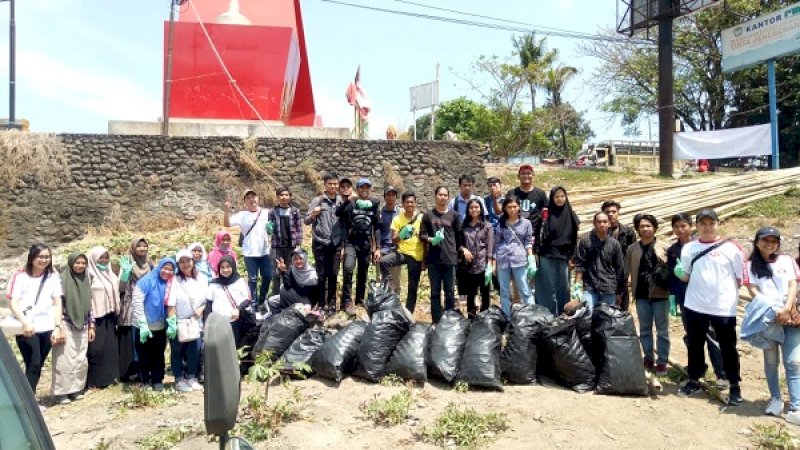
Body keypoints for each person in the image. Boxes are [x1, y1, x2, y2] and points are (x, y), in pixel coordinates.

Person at [675, 208, 745, 406]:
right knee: (695, 345)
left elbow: (740, 278)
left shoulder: (732, 248)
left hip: (723, 307)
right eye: (703, 224)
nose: (707, 227)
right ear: (696, 226)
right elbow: (686, 275)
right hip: (695, 305)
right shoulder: (689, 248)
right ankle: (694, 380)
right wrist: (679, 273)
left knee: (728, 348)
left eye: (711, 223)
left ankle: (734, 385)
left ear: (718, 224)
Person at [745, 227, 800, 421]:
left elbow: (793, 284)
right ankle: (775, 399)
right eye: (765, 240)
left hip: (790, 317)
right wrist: (772, 309)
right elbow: (752, 289)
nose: (770, 244)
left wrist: (786, 308)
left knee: (793, 361)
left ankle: (795, 407)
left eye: (774, 240)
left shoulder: (787, 260)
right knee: (771, 361)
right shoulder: (750, 264)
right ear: (757, 242)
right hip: (767, 319)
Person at [666, 213, 728, 388]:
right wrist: (673, 297)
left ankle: (721, 374)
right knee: (692, 336)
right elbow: (672, 275)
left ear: (691, 226)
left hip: (705, 298)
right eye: (676, 226)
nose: (680, 230)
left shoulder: (701, 246)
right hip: (685, 298)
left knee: (711, 335)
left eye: (683, 226)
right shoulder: (673, 250)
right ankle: (697, 370)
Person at [7, 243, 63, 408]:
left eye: (47, 257)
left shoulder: (52, 276)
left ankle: (27, 399)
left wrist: (57, 326)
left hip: (47, 326)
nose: (44, 260)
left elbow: (57, 302)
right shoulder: (20, 276)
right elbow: (13, 302)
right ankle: (27, 403)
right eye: (41, 257)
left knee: (36, 365)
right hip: (27, 327)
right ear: (32, 258)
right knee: (34, 363)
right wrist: (25, 322)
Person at [626, 214, 670, 376]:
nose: (645, 229)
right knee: (644, 329)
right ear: (637, 229)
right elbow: (627, 270)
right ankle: (648, 358)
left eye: (648, 226)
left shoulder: (664, 247)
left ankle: (662, 362)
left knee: (662, 330)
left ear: (655, 228)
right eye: (642, 226)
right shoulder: (632, 249)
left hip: (660, 294)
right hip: (641, 294)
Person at [52, 252, 94, 404]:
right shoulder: (61, 280)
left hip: (82, 324)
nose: (80, 266)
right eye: (77, 262)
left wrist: (91, 326)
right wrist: (58, 326)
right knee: (64, 358)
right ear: (71, 263)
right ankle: (62, 392)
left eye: (83, 263)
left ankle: (76, 389)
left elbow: (90, 305)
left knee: (80, 357)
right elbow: (57, 304)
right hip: (66, 323)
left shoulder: (86, 279)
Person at [336, 178, 380, 315]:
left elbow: (376, 227)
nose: (364, 190)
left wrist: (376, 247)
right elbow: (338, 213)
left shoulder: (374, 204)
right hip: (351, 241)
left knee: (363, 271)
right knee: (348, 268)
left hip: (366, 242)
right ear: (357, 189)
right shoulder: (352, 202)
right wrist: (349, 200)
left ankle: (360, 300)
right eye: (362, 187)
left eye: (367, 187)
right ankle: (346, 302)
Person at [132, 257, 177, 391]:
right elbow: (137, 302)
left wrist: (172, 322)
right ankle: (145, 381)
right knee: (143, 355)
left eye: (170, 269)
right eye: (165, 268)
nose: (167, 272)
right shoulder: (146, 281)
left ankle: (157, 380)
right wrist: (142, 322)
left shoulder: (169, 284)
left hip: (160, 326)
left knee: (158, 354)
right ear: (159, 267)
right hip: (143, 325)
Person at [535, 186, 580, 316]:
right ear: (552, 198)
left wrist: (573, 257)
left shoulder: (570, 215)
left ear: (566, 197)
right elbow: (538, 234)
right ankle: (546, 314)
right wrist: (536, 252)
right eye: (556, 197)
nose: (559, 199)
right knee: (547, 286)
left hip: (564, 255)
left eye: (562, 196)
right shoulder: (546, 215)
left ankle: (563, 313)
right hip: (547, 254)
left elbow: (574, 238)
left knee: (563, 286)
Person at [421, 186, 463, 323]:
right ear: (435, 196)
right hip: (434, 259)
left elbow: (459, 237)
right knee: (434, 293)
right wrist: (431, 239)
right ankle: (436, 321)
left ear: (448, 197)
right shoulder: (428, 215)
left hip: (450, 258)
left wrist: (458, 254)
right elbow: (422, 235)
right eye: (440, 194)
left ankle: (448, 322)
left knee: (450, 292)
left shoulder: (454, 215)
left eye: (445, 195)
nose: (443, 197)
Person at [224, 189, 271, 307]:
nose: (251, 199)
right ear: (245, 201)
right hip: (250, 253)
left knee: (267, 276)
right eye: (248, 198)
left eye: (253, 197)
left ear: (258, 199)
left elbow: (275, 225)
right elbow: (227, 224)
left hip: (265, 252)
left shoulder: (267, 213)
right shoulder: (242, 215)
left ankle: (262, 298)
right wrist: (226, 211)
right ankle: (253, 303)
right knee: (253, 279)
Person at [380, 191, 426, 313]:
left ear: (415, 203)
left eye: (412, 202)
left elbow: (425, 240)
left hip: (416, 255)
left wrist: (425, 260)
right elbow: (394, 240)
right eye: (407, 202)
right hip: (402, 253)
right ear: (403, 204)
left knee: (413, 286)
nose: (409, 204)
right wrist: (401, 235)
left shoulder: (422, 218)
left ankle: (408, 312)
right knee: (383, 261)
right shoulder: (397, 219)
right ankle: (390, 284)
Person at [167, 250, 206, 393]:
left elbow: (206, 298)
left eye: (188, 261)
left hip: (195, 321)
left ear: (193, 261)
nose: (185, 264)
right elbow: (171, 303)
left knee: (194, 350)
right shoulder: (175, 280)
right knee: (177, 350)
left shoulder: (201, 277)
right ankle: (179, 379)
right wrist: (172, 323)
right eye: (181, 262)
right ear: (178, 264)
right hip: (179, 321)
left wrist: (202, 308)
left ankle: (191, 377)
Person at [306, 173, 345, 313]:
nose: (333, 186)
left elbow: (345, 224)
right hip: (320, 243)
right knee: (321, 274)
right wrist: (313, 214)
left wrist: (343, 245)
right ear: (325, 185)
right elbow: (306, 221)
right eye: (330, 184)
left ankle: (332, 303)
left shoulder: (341, 201)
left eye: (335, 184)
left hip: (336, 243)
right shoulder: (318, 200)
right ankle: (321, 304)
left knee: (334, 273)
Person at [493, 195, 536, 317]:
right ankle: (507, 317)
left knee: (524, 289)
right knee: (504, 292)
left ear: (519, 207)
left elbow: (528, 241)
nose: (512, 209)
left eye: (515, 206)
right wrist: (494, 263)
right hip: (503, 260)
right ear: (505, 208)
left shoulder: (526, 223)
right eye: (509, 207)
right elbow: (496, 243)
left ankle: (531, 316)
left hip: (519, 259)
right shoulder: (501, 223)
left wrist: (531, 258)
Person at [574, 212, 625, 311]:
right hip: (590, 287)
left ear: (609, 223)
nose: (602, 224)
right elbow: (580, 264)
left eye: (605, 222)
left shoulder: (614, 244)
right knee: (587, 314)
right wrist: (577, 286)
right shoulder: (585, 241)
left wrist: (619, 292)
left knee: (607, 319)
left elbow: (619, 268)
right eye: (599, 222)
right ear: (594, 223)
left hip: (609, 288)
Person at [85, 246, 121, 389]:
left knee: (110, 348)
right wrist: (90, 320)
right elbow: (87, 297)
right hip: (96, 316)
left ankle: (109, 378)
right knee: (96, 349)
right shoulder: (89, 274)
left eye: (106, 257)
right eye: (101, 258)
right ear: (93, 259)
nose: (104, 260)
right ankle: (94, 380)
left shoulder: (110, 273)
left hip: (110, 315)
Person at [118, 236, 152, 383]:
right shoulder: (128, 263)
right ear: (133, 248)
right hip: (131, 305)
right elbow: (120, 288)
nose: (142, 249)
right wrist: (125, 275)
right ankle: (135, 371)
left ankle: (146, 368)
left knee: (147, 340)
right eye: (139, 246)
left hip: (148, 304)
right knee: (134, 340)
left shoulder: (149, 263)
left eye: (144, 246)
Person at [457, 198, 494, 318]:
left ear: (481, 209)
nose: (474, 210)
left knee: (485, 293)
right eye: (471, 207)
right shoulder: (464, 226)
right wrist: (464, 250)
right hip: (469, 266)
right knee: (471, 294)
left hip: (483, 265)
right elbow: (459, 244)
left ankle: (485, 318)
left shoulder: (487, 226)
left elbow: (490, 246)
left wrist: (490, 265)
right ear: (468, 210)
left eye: (476, 207)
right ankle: (471, 318)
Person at [207, 255, 253, 351]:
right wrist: (207, 324)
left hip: (234, 322)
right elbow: (209, 304)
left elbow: (248, 299)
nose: (225, 270)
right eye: (222, 267)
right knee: (219, 350)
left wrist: (238, 309)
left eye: (228, 266)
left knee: (233, 349)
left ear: (233, 267)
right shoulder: (214, 284)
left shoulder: (239, 281)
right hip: (218, 324)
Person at [267, 186, 303, 297]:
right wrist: (268, 228)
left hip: (291, 246)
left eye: (286, 195)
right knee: (276, 273)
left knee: (290, 272)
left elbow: (299, 228)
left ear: (290, 197)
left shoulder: (295, 211)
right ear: (278, 197)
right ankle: (276, 297)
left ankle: (289, 296)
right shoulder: (273, 212)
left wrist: (299, 243)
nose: (284, 197)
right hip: (277, 246)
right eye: (281, 195)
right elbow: (270, 230)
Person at [601, 200, 636, 311]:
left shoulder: (628, 232)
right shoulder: (600, 233)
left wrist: (631, 274)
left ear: (618, 213)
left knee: (623, 306)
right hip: (604, 275)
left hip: (623, 274)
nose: (610, 214)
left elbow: (633, 255)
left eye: (613, 211)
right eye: (607, 212)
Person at [506, 164, 547, 250]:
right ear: (518, 176)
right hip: (515, 233)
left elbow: (546, 211)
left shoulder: (540, 193)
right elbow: (506, 212)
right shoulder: (512, 193)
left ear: (533, 175)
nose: (526, 176)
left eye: (528, 173)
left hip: (534, 234)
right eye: (523, 173)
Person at [272, 250, 319, 315]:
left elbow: (304, 292)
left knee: (282, 289)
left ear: (305, 259)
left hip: (308, 301)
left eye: (301, 258)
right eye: (295, 259)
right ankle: (276, 319)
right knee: (272, 300)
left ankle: (283, 311)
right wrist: (284, 271)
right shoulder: (293, 270)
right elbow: (287, 286)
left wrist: (293, 285)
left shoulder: (311, 273)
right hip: (295, 296)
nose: (298, 261)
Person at [378, 186, 402, 293]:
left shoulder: (401, 213)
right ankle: (381, 303)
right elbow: (376, 231)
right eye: (388, 195)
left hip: (396, 249)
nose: (390, 197)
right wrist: (376, 249)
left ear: (396, 197)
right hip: (382, 249)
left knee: (395, 280)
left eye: (393, 195)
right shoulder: (379, 212)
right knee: (381, 279)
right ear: (384, 197)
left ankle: (395, 304)